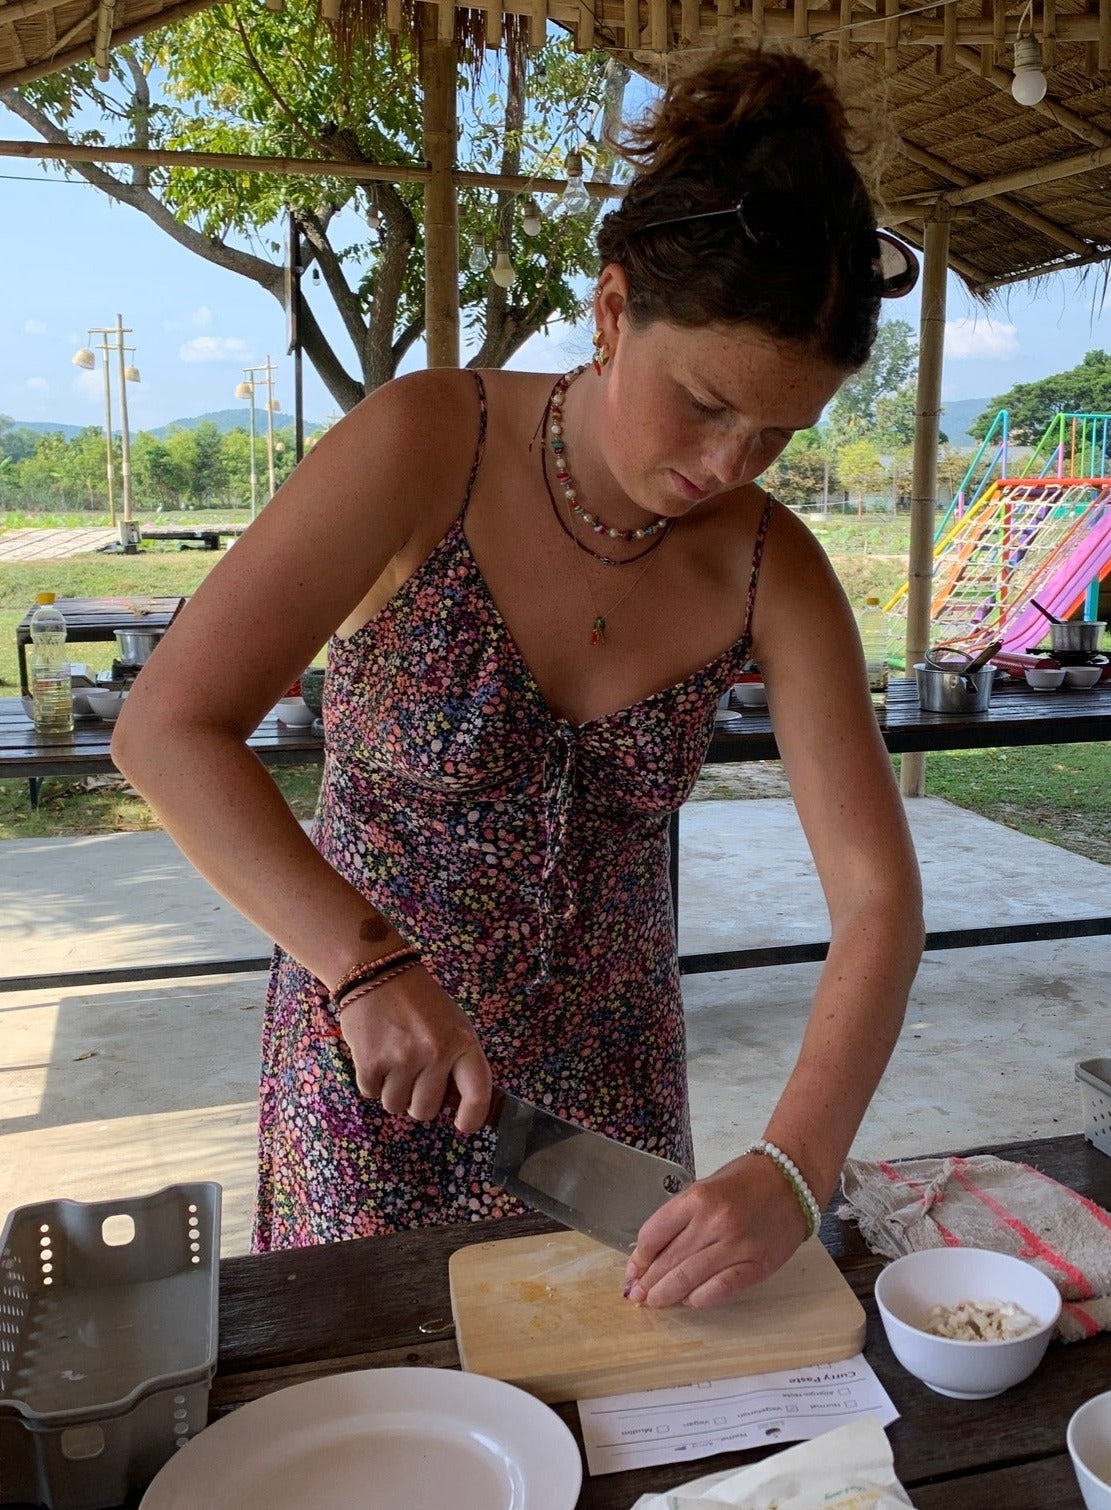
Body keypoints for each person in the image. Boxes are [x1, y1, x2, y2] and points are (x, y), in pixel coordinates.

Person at [112, 46, 925, 1310]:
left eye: (777, 433)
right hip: (376, 1060)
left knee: (606, 1419)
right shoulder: (425, 442)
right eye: (705, 401)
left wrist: (793, 1165)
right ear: (611, 310)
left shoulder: (776, 570)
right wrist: (364, 961)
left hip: (609, 1106)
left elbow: (878, 901)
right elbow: (169, 728)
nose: (728, 461)